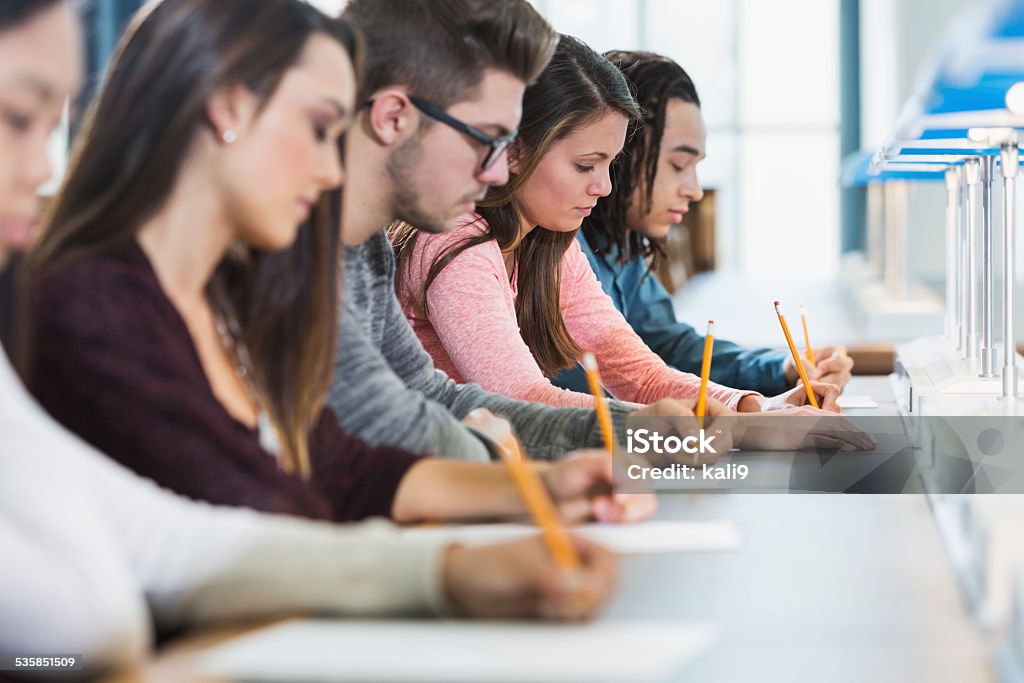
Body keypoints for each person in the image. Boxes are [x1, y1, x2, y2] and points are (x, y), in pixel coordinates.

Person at [1, 2, 616, 672]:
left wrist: (532, 495)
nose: (331, 172)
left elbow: (329, 469)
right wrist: (457, 552)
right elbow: (271, 502)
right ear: (230, 109)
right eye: (321, 128)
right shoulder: (90, 303)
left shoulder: (236, 288)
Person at [328, 0, 715, 464]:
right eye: (487, 137)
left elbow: (427, 403)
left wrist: (734, 411)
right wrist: (637, 431)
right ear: (392, 117)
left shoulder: (367, 252)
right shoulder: (439, 240)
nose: (497, 173)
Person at [392, 36, 844, 418]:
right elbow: (522, 401)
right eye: (585, 165)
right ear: (513, 150)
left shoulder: (550, 242)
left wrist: (756, 409)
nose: (604, 187)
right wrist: (658, 421)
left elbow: (638, 373)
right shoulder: (458, 243)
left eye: (609, 165)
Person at [551, 51, 854, 397]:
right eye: (679, 165)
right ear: (620, 154)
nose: (694, 191)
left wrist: (785, 367)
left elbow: (670, 346)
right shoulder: (560, 250)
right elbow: (595, 393)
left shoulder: (623, 247)